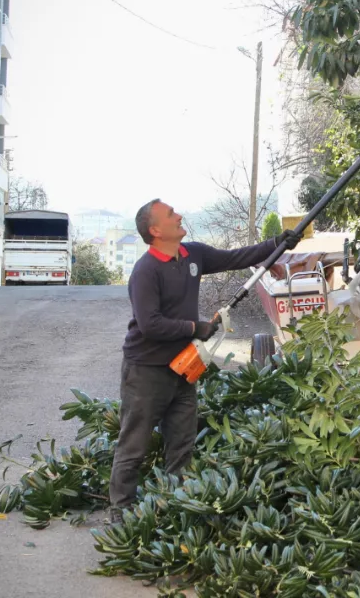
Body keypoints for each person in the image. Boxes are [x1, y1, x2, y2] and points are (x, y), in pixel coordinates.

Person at [105, 198, 299, 524]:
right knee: (134, 444)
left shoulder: (192, 255)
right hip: (146, 371)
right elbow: (150, 324)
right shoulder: (146, 271)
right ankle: (120, 513)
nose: (179, 215)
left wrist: (276, 244)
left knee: (181, 445)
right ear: (155, 230)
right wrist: (196, 327)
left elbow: (236, 257)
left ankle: (174, 508)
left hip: (185, 366)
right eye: (170, 214)